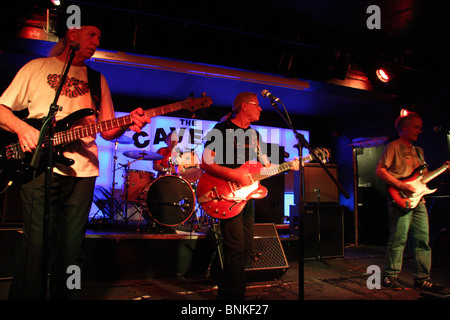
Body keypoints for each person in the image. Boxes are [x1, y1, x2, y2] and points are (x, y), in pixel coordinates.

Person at [0, 16, 151, 299]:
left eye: (99, 38)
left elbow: (107, 130)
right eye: (92, 34)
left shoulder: (97, 79)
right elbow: (2, 109)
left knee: (72, 247)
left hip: (83, 172)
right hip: (39, 166)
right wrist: (22, 128)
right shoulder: (36, 67)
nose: (96, 42)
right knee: (36, 243)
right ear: (73, 33)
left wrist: (128, 122)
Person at [200, 92, 298, 299]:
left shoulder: (255, 136)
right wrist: (234, 174)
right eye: (257, 105)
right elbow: (205, 162)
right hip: (226, 195)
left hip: (246, 198)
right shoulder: (221, 130)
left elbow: (266, 168)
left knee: (245, 249)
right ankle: (232, 300)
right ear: (244, 106)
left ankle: (219, 277)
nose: (261, 108)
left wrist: (289, 166)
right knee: (235, 249)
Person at [376, 111, 448, 292]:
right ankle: (389, 276)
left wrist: (442, 170)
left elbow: (421, 178)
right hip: (400, 197)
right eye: (416, 127)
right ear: (404, 128)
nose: (420, 131)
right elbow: (380, 171)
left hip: (419, 200)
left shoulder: (419, 151)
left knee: (423, 239)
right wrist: (401, 185)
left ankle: (422, 278)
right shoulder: (393, 146)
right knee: (399, 239)